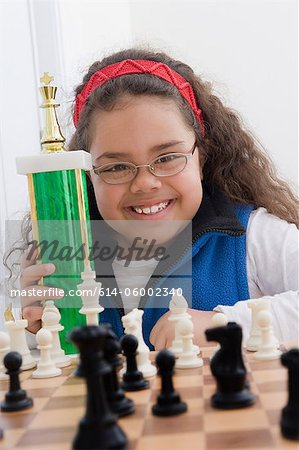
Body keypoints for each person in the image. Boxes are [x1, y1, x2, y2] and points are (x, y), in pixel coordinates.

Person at [15, 48, 299, 350]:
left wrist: (223, 325)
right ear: (89, 174)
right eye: (116, 167)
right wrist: (34, 332)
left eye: (167, 158)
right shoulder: (67, 252)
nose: (145, 183)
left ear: (201, 157)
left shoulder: (253, 236)